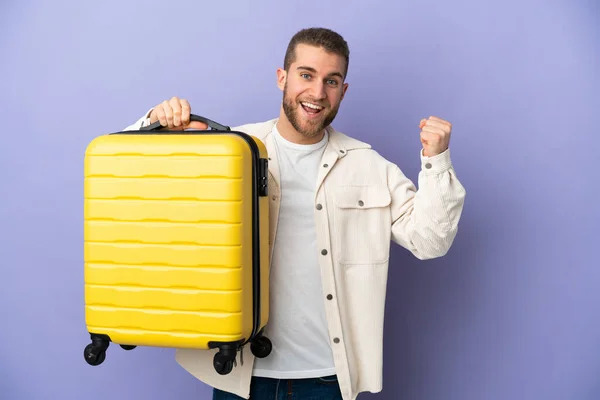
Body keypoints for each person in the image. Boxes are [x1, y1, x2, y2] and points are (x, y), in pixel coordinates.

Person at [123, 27, 466, 400]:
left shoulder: (369, 166)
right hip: (239, 374)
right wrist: (153, 125)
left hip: (326, 379)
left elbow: (430, 241)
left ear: (343, 91)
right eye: (306, 75)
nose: (318, 93)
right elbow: (131, 186)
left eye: (331, 81)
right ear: (281, 78)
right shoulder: (230, 150)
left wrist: (437, 161)